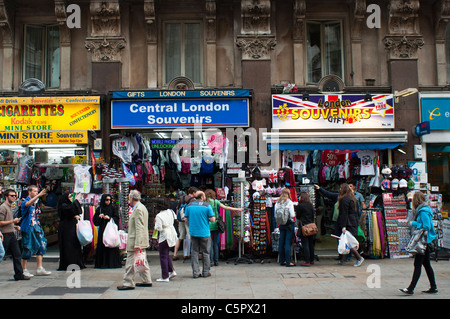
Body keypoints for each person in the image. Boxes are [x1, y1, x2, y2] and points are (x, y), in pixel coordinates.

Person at [400, 191, 438, 295]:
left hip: (423, 242)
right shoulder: (423, 210)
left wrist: (414, 223)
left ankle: (411, 288)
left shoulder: (423, 211)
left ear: (416, 200)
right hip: (424, 241)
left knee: (417, 265)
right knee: (426, 265)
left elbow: (426, 226)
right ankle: (433, 287)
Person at [117, 190, 152, 290]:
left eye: (129, 197)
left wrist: (137, 243)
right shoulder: (141, 207)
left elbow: (139, 227)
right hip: (140, 240)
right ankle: (146, 280)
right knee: (142, 260)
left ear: (132, 198)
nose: (128, 199)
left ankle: (128, 283)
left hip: (136, 241)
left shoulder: (138, 209)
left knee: (130, 263)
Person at [205, 189, 243, 266]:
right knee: (215, 243)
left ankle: (211, 261)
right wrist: (237, 209)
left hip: (207, 224)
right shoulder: (216, 202)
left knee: (209, 243)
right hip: (216, 223)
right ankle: (216, 261)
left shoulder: (205, 203)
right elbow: (226, 208)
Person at [20, 185, 51, 277]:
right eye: (34, 191)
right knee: (27, 247)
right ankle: (24, 269)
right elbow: (27, 204)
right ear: (29, 192)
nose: (36, 193)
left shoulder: (37, 202)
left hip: (36, 226)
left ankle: (39, 267)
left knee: (41, 245)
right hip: (28, 227)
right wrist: (38, 195)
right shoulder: (24, 201)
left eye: (37, 191)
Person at [184, 191, 215, 278]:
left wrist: (190, 226)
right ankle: (206, 272)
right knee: (206, 252)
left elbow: (186, 219)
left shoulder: (189, 206)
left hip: (193, 232)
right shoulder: (207, 206)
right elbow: (212, 219)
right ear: (201, 197)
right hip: (205, 232)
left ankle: (196, 272)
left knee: (194, 252)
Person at [0, 189, 29, 280]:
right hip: (5, 234)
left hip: (11, 234)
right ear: (6, 196)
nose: (14, 197)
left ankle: (19, 274)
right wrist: (13, 221)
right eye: (11, 196)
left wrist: (14, 226)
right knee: (1, 254)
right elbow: (0, 222)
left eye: (15, 196)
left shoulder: (10, 207)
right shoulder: (3, 207)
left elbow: (7, 221)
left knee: (17, 254)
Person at [57, 192, 86, 271]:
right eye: (69, 196)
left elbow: (79, 211)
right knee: (68, 246)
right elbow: (69, 210)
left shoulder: (71, 204)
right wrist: (76, 200)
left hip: (73, 227)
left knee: (75, 245)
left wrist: (76, 202)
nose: (71, 198)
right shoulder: (64, 205)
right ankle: (69, 263)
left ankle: (76, 262)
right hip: (66, 228)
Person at [337, 183, 364, 267]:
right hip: (352, 221)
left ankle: (359, 258)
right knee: (347, 240)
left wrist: (343, 226)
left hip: (349, 223)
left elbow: (344, 213)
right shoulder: (351, 198)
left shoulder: (345, 199)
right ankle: (343, 260)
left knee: (349, 241)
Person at [93, 194, 121, 268]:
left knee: (111, 246)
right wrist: (99, 217)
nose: (108, 201)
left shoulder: (112, 209)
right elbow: (95, 221)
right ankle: (102, 263)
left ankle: (112, 263)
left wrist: (109, 218)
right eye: (106, 200)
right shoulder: (99, 209)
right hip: (102, 230)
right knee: (103, 246)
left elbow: (116, 218)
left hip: (110, 230)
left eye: (109, 200)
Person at [154, 197, 178, 282]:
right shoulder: (171, 212)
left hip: (164, 235)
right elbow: (175, 219)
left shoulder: (159, 216)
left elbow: (159, 228)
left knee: (163, 256)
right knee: (166, 254)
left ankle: (165, 276)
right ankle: (171, 271)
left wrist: (155, 223)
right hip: (172, 233)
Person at [173, 187, 198, 261]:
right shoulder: (193, 200)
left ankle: (175, 253)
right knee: (191, 236)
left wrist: (179, 218)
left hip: (181, 219)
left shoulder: (182, 198)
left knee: (180, 237)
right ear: (193, 193)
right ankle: (193, 254)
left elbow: (178, 208)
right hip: (188, 220)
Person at [275, 188, 296, 267]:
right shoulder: (289, 202)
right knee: (287, 242)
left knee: (281, 242)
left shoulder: (278, 202)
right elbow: (292, 215)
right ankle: (288, 261)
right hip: (289, 224)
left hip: (281, 224)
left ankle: (281, 260)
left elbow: (275, 214)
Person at [296, 191, 316, 267]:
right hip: (311, 226)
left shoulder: (300, 206)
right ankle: (312, 259)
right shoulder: (310, 205)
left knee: (305, 244)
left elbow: (298, 216)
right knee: (311, 243)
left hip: (304, 227)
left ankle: (307, 260)